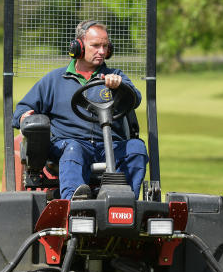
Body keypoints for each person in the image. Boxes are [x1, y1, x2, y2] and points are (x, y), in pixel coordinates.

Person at [13, 20, 148, 200]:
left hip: (109, 145)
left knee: (136, 147)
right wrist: (27, 118)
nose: (102, 51)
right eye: (96, 45)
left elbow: (135, 99)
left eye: (105, 46)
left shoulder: (115, 76)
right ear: (79, 46)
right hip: (68, 144)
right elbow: (23, 109)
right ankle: (73, 204)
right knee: (73, 148)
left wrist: (120, 86)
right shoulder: (54, 80)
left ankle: (125, 201)